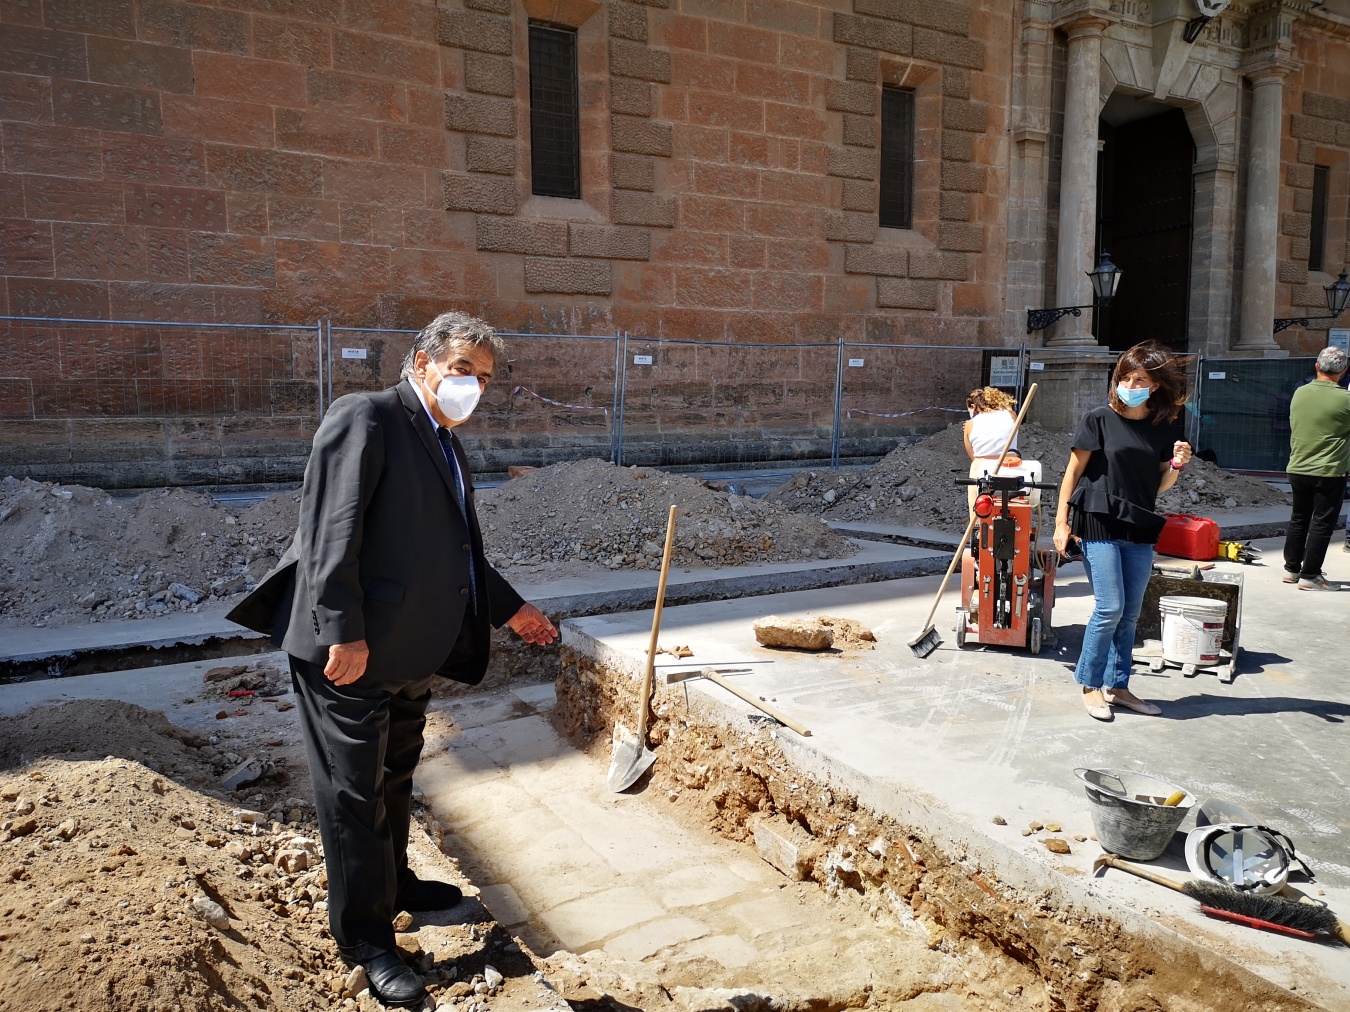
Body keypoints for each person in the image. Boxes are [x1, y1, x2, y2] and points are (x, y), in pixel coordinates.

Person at [227, 311, 557, 1009]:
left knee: (394, 776)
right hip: (350, 653)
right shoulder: (367, 417)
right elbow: (328, 531)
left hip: (408, 652)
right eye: (463, 368)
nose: (473, 385)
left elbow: (457, 554)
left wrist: (514, 609)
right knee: (352, 796)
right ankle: (365, 938)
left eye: (486, 378)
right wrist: (342, 630)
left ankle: (399, 885)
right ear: (423, 361)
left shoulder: (444, 442)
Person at [1052, 341, 1193, 722]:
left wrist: (1177, 466)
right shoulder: (1098, 418)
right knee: (1109, 607)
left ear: (1155, 386)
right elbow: (1073, 472)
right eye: (1125, 377)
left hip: (1141, 524)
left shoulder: (1162, 429)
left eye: (1140, 378)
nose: (1130, 384)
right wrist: (1061, 522)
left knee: (1130, 614)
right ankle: (1089, 685)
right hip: (1098, 522)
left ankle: (1118, 687)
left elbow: (1158, 486)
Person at [1281, 345, 1350, 590]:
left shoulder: (1300, 393)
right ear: (1343, 371)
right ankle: (1311, 575)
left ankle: (1291, 570)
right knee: (1322, 523)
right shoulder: (1346, 399)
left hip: (1298, 466)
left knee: (1299, 518)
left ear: (1317, 366)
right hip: (1329, 471)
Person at [963, 386, 1021, 510]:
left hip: (982, 470)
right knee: (1016, 509)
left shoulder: (970, 424)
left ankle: (977, 525)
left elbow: (973, 456)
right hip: (1011, 467)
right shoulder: (1012, 415)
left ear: (973, 407)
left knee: (978, 510)